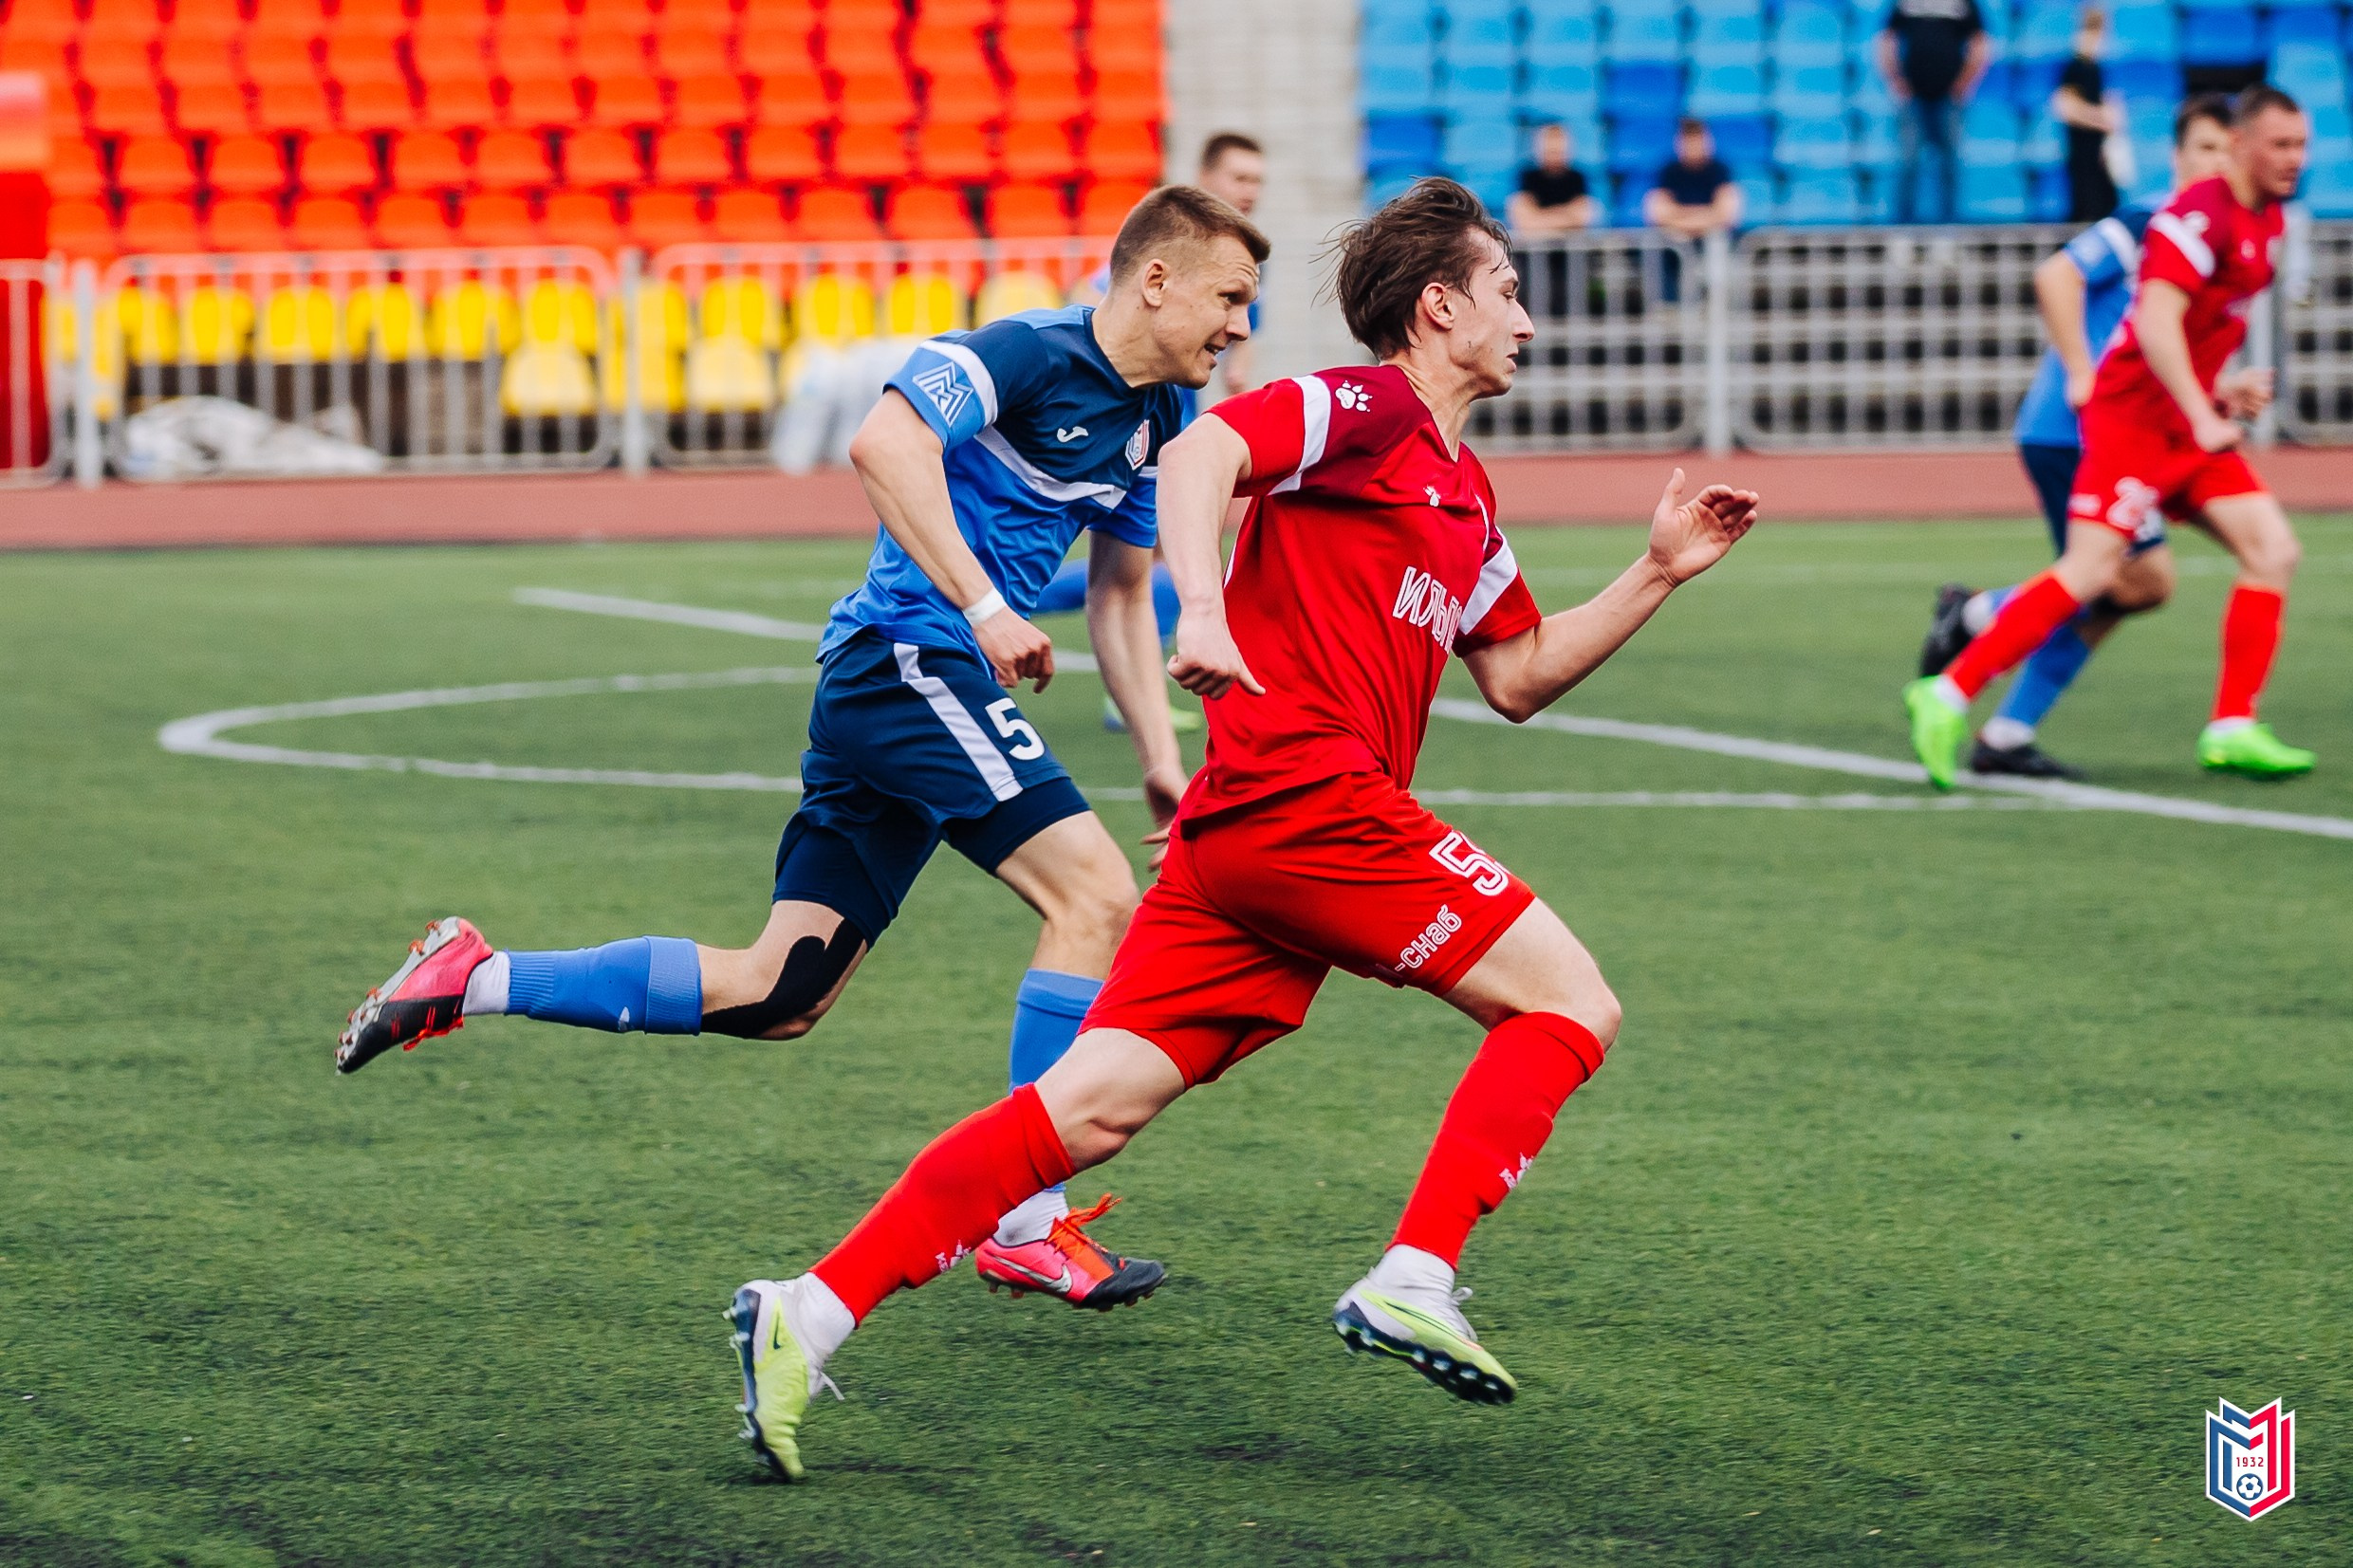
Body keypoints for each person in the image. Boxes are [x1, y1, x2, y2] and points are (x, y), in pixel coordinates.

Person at [726, 177, 1760, 1482]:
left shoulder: (1462, 491)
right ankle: (1415, 1273)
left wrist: (1657, 570)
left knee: (1086, 1110)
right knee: (1570, 1002)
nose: (1529, 323)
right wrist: (1200, 614)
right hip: (1309, 803)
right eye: (1508, 293)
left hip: (1246, 844)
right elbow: (1204, 458)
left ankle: (806, 1309)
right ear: (1438, 309)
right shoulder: (1366, 405)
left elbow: (1522, 673)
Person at [337, 188, 1269, 1309]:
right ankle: (1027, 1220)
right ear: (1154, 279)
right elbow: (883, 438)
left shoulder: (1158, 421)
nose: (1240, 330)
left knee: (781, 989)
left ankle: (470, 979)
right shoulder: (1024, 351)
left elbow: (1125, 598)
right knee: (1094, 898)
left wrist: (1160, 760)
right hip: (908, 660)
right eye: (1229, 299)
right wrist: (980, 605)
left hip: (898, 687)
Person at [1905, 87, 2313, 786]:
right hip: (2127, 424)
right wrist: (2135, 389)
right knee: (2099, 575)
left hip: (2181, 425)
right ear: (2227, 148)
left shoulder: (2266, 218)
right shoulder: (2177, 220)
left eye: (2302, 145)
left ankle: (2232, 724)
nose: (2294, 160)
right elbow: (2146, 323)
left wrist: (2219, 392)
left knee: (2267, 550)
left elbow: (2187, 332)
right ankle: (1950, 689)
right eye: (2279, 145)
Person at [1879, 0, 1990, 225]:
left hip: (1949, 97)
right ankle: (1903, 230)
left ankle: (1949, 230)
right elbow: (1886, 39)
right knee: (1908, 164)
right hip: (1914, 97)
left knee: (1949, 166)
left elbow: (1980, 42)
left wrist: (1966, 83)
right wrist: (1895, 80)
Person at [2053, 8, 2120, 222]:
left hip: (2096, 153)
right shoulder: (2075, 66)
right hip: (2081, 153)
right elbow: (2066, 108)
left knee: (2105, 203)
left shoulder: (2095, 68)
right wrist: (2100, 119)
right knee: (2085, 208)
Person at [1641, 118, 1743, 241]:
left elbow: (1727, 214)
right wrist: (1705, 217)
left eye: (1697, 139)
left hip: (1712, 236)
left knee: (1717, 238)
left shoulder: (1721, 170)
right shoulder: (1668, 171)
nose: (1693, 146)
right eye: (1688, 140)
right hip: (1675, 236)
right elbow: (1658, 213)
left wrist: (1681, 216)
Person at [1506, 121, 1599, 236]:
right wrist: (1565, 217)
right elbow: (1524, 221)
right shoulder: (1526, 177)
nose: (1554, 154)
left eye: (1558, 150)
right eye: (1550, 150)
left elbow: (1583, 217)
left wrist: (1540, 219)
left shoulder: (1578, 177)